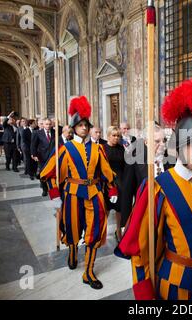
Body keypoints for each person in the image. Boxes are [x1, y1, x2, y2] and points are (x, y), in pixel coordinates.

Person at [115, 79, 192, 300]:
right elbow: (141, 251)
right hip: (175, 287)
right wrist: (145, 294)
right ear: (177, 149)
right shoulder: (158, 188)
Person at [40, 96, 118, 290]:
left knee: (94, 232)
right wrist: (55, 194)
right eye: (81, 125)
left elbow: (107, 172)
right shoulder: (65, 149)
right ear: (74, 127)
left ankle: (89, 271)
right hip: (73, 195)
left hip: (94, 194)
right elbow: (49, 173)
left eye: (86, 125)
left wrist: (112, 189)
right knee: (73, 228)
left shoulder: (98, 148)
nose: (84, 128)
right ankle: (73, 251)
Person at [120, 123, 168, 228]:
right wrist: (125, 224)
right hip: (144, 216)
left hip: (167, 217)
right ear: (146, 142)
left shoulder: (170, 161)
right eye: (157, 141)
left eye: (164, 140)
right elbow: (127, 193)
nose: (162, 144)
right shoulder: (135, 160)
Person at [103, 126, 126, 241]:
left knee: (119, 210)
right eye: (114, 135)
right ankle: (101, 233)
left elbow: (125, 166)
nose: (116, 138)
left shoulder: (121, 149)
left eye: (118, 136)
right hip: (107, 183)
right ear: (108, 136)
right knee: (105, 209)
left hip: (120, 182)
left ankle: (119, 232)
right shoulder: (102, 149)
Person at [31, 118, 55, 196]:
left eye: (49, 124)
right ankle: (44, 189)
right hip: (42, 157)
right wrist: (33, 154)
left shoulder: (55, 132)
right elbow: (33, 145)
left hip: (53, 157)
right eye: (46, 124)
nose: (48, 126)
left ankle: (52, 189)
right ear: (43, 124)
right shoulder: (37, 133)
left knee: (52, 174)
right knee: (43, 174)